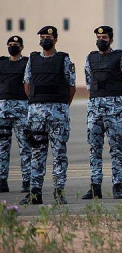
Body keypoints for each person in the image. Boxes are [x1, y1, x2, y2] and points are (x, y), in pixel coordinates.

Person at [20, 26, 76, 205]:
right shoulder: (33, 59)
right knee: (37, 152)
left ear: (56, 40)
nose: (45, 39)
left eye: (48, 37)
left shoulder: (64, 59)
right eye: (42, 36)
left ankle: (59, 192)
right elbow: (27, 85)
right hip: (37, 114)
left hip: (58, 113)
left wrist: (61, 107)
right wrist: (37, 104)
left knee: (59, 153)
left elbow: (71, 87)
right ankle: (35, 193)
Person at [81, 26, 122, 200]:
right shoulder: (90, 58)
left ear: (111, 39)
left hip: (114, 108)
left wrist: (116, 102)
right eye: (98, 37)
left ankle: (117, 186)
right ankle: (95, 187)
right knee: (94, 148)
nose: (100, 40)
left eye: (104, 37)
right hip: (95, 109)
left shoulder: (120, 57)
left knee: (116, 148)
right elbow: (89, 84)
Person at [0, 36, 31, 194]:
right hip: (3, 110)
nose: (13, 47)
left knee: (25, 146)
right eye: (10, 44)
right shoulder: (2, 62)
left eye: (16, 45)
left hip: (21, 109)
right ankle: (2, 180)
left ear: (22, 47)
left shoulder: (26, 63)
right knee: (2, 148)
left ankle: (27, 181)